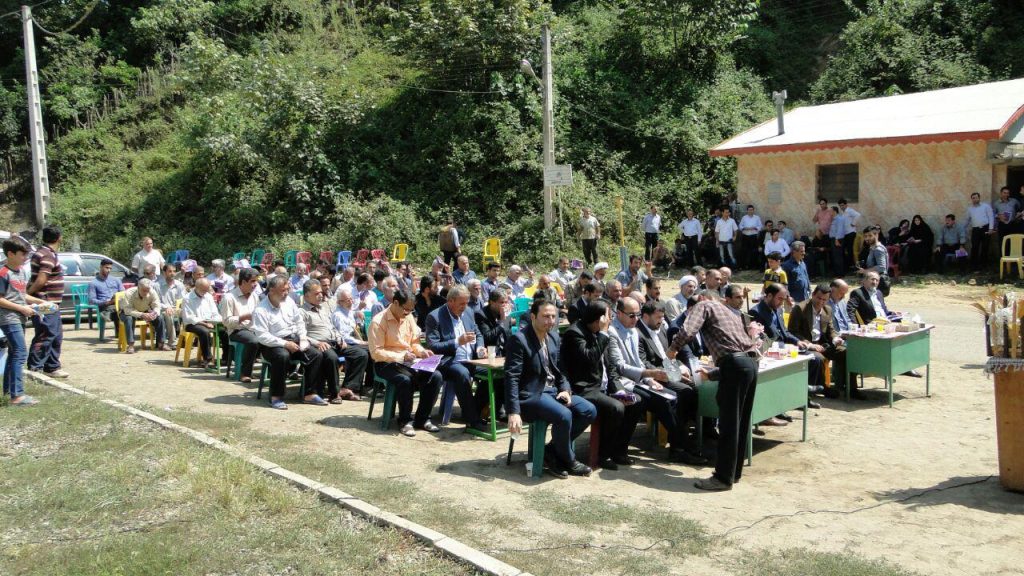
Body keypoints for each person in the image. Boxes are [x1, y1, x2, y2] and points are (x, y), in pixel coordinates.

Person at [666, 288, 764, 491]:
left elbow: (687, 331)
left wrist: (673, 349)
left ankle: (722, 478)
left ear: (702, 298)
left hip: (736, 365)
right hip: (750, 364)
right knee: (741, 421)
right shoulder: (728, 311)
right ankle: (733, 473)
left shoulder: (703, 305)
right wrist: (713, 374)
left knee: (729, 424)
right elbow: (737, 351)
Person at [506, 299, 597, 478]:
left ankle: (551, 451)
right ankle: (569, 460)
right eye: (546, 316)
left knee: (589, 410)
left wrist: (565, 388)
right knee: (564, 415)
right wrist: (513, 411)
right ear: (533, 316)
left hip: (552, 392)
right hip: (531, 395)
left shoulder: (554, 337)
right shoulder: (519, 340)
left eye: (553, 316)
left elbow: (560, 368)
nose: (550, 321)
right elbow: (512, 377)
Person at [562, 299, 644, 470]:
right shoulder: (575, 333)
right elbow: (590, 358)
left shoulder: (600, 333)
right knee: (616, 408)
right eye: (609, 316)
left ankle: (619, 451)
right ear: (599, 318)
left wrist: (620, 391)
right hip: (583, 388)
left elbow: (611, 368)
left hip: (604, 386)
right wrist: (604, 334)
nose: (611, 319)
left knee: (635, 402)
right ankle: (602, 454)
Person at [634, 299, 706, 464]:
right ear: (645, 317)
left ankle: (691, 433)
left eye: (662, 317)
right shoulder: (638, 334)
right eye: (657, 317)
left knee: (697, 387)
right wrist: (672, 372)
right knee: (683, 392)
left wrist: (681, 367)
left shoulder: (660, 329)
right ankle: (679, 445)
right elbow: (645, 364)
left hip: (669, 371)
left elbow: (672, 354)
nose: (661, 321)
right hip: (654, 376)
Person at [369, 289, 444, 437]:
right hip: (385, 363)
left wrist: (422, 352)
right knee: (405, 380)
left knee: (436, 376)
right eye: (406, 309)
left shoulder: (408, 317)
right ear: (395, 303)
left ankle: (422, 418)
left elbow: (414, 343)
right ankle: (405, 421)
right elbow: (376, 352)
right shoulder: (378, 322)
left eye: (411, 310)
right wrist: (402, 356)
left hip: (409, 361)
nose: (408, 313)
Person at [252, 276, 327, 409]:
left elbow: (299, 322)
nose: (286, 293)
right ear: (271, 291)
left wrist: (303, 338)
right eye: (283, 290)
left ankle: (309, 393)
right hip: (272, 344)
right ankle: (276, 396)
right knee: (282, 356)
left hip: (294, 339)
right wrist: (285, 344)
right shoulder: (261, 310)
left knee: (316, 354)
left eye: (287, 289)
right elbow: (262, 336)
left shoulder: (289, 302)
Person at [425, 284, 490, 433]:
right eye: (462, 303)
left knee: (496, 374)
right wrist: (457, 342)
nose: (465, 306)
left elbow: (477, 333)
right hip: (449, 361)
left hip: (471, 359)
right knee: (462, 373)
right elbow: (433, 346)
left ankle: (476, 409)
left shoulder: (468, 312)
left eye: (467, 302)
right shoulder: (435, 317)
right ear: (451, 301)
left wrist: (480, 347)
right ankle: (472, 420)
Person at [750, 283, 826, 404]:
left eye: (783, 299)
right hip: (771, 350)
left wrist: (798, 341)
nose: (781, 302)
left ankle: (803, 398)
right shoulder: (756, 312)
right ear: (769, 296)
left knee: (815, 359)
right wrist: (784, 346)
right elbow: (760, 339)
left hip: (785, 347)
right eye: (779, 298)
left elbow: (785, 332)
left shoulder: (777, 309)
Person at [301, 280, 369, 404]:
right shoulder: (302, 312)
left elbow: (333, 328)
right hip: (320, 344)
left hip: (335, 342)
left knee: (360, 354)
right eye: (316, 293)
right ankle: (334, 393)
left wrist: (340, 338)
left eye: (321, 292)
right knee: (332, 358)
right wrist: (317, 342)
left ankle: (348, 388)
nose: (321, 295)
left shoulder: (324, 309)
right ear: (306, 296)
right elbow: (301, 334)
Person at [1, 237, 51, 406]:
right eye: (23, 255)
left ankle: (9, 391)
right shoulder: (3, 273)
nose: (25, 258)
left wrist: (40, 303)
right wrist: (21, 308)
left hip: (19, 316)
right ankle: (17, 396)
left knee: (14, 352)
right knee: (21, 352)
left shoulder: (22, 271)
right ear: (10, 254)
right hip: (8, 317)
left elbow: (21, 295)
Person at [787, 284, 845, 394]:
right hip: (806, 345)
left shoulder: (827, 310)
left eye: (824, 299)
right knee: (820, 358)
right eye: (819, 298)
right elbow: (792, 332)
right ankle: (823, 387)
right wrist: (810, 344)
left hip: (822, 344)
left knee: (845, 352)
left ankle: (847, 386)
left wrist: (835, 339)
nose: (821, 302)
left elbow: (831, 330)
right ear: (813, 295)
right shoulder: (800, 308)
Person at [27, 225, 67, 377]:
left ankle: (52, 367)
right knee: (46, 332)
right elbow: (41, 280)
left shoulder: (45, 252)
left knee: (56, 334)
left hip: (51, 303)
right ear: (59, 238)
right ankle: (35, 368)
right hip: (44, 302)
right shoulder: (47, 255)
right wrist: (28, 295)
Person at [219, 267, 262, 382]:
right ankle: (245, 373)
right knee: (254, 340)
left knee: (272, 337)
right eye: (253, 281)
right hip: (236, 330)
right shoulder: (229, 297)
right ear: (243, 282)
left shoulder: (255, 296)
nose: (255, 284)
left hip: (253, 328)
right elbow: (226, 322)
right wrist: (244, 317)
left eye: (257, 281)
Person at [118, 278, 168, 354]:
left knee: (160, 317)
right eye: (143, 290)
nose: (145, 293)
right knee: (129, 318)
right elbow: (127, 310)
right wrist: (141, 315)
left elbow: (157, 306)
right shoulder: (129, 293)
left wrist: (154, 313)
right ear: (138, 288)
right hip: (128, 312)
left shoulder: (152, 292)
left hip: (145, 311)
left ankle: (161, 343)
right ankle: (131, 345)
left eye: (147, 290)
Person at [181, 278, 223, 369]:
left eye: (207, 289)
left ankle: (226, 358)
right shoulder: (187, 298)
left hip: (210, 322)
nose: (205, 292)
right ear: (196, 287)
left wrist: (218, 321)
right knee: (204, 331)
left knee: (224, 329)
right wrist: (204, 323)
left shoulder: (208, 296)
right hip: (192, 324)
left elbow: (215, 313)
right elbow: (190, 317)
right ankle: (207, 359)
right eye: (203, 290)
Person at [88, 258, 125, 335]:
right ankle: (107, 312)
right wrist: (107, 302)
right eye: (107, 268)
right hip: (105, 305)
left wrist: (117, 298)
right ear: (101, 267)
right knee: (117, 310)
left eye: (110, 268)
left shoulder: (116, 280)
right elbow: (91, 300)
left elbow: (123, 292)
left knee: (125, 309)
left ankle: (122, 334)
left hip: (117, 303)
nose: (109, 270)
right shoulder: (93, 283)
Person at [157, 263, 186, 348]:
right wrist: (166, 307)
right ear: (164, 272)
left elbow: (183, 299)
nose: (172, 273)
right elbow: (155, 302)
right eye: (170, 271)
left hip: (176, 309)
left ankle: (185, 339)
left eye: (174, 271)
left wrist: (179, 307)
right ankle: (172, 342)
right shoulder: (157, 285)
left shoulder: (179, 285)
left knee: (188, 313)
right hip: (162, 309)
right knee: (168, 314)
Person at [476, 288, 510, 358]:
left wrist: (505, 318)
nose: (504, 305)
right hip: (490, 352)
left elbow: (508, 336)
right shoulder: (481, 315)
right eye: (501, 302)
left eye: (506, 302)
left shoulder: (504, 313)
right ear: (492, 302)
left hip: (505, 351)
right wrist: (502, 321)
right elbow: (487, 337)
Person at [965, 192, 995, 271]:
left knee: (985, 247)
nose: (975, 199)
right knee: (974, 247)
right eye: (973, 198)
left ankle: (984, 265)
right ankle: (973, 265)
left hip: (986, 228)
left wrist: (991, 228)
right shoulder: (970, 209)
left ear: (979, 198)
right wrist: (962, 228)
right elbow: (967, 220)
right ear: (971, 199)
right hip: (975, 230)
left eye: (976, 197)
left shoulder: (986, 206)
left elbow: (991, 217)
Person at [856, 226, 890, 296]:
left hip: (877, 283)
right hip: (873, 283)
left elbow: (881, 267)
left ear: (876, 235)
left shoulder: (878, 249)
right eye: (865, 236)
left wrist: (865, 271)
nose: (867, 238)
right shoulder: (872, 248)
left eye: (870, 235)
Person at [838, 199, 861, 272]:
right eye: (840, 205)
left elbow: (858, 215)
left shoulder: (849, 210)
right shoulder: (843, 213)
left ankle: (851, 266)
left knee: (850, 250)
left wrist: (853, 223)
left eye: (842, 205)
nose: (841, 207)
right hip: (846, 234)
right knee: (846, 250)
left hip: (851, 233)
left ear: (846, 205)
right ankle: (848, 266)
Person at [738, 205, 763, 270]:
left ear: (753, 210)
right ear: (747, 210)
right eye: (749, 210)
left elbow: (760, 226)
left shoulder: (757, 217)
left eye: (752, 210)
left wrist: (754, 228)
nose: (750, 211)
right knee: (744, 251)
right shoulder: (744, 217)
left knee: (754, 252)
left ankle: (753, 266)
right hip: (745, 236)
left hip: (753, 237)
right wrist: (745, 228)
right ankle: (744, 266)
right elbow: (740, 226)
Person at [828, 206, 848, 275]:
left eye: (830, 211)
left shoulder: (839, 219)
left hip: (837, 239)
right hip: (834, 239)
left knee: (838, 257)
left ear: (834, 211)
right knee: (835, 256)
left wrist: (836, 240)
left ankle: (840, 273)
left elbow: (840, 230)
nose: (829, 212)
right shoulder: (834, 219)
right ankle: (837, 272)